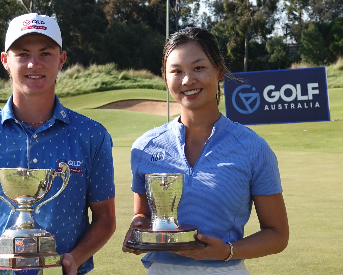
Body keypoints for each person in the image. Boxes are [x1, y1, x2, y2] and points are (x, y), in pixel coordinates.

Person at [0, 13, 116, 275]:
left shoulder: (92, 135)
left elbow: (105, 218)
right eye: (23, 54)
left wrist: (76, 258)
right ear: (5, 60)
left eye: (46, 53)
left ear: (61, 60)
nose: (34, 64)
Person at [122, 27, 289, 274]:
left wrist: (228, 251)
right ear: (165, 78)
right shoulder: (145, 147)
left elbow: (277, 235)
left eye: (199, 68)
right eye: (177, 71)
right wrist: (138, 231)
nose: (188, 80)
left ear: (219, 70)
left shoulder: (253, 148)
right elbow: (144, 216)